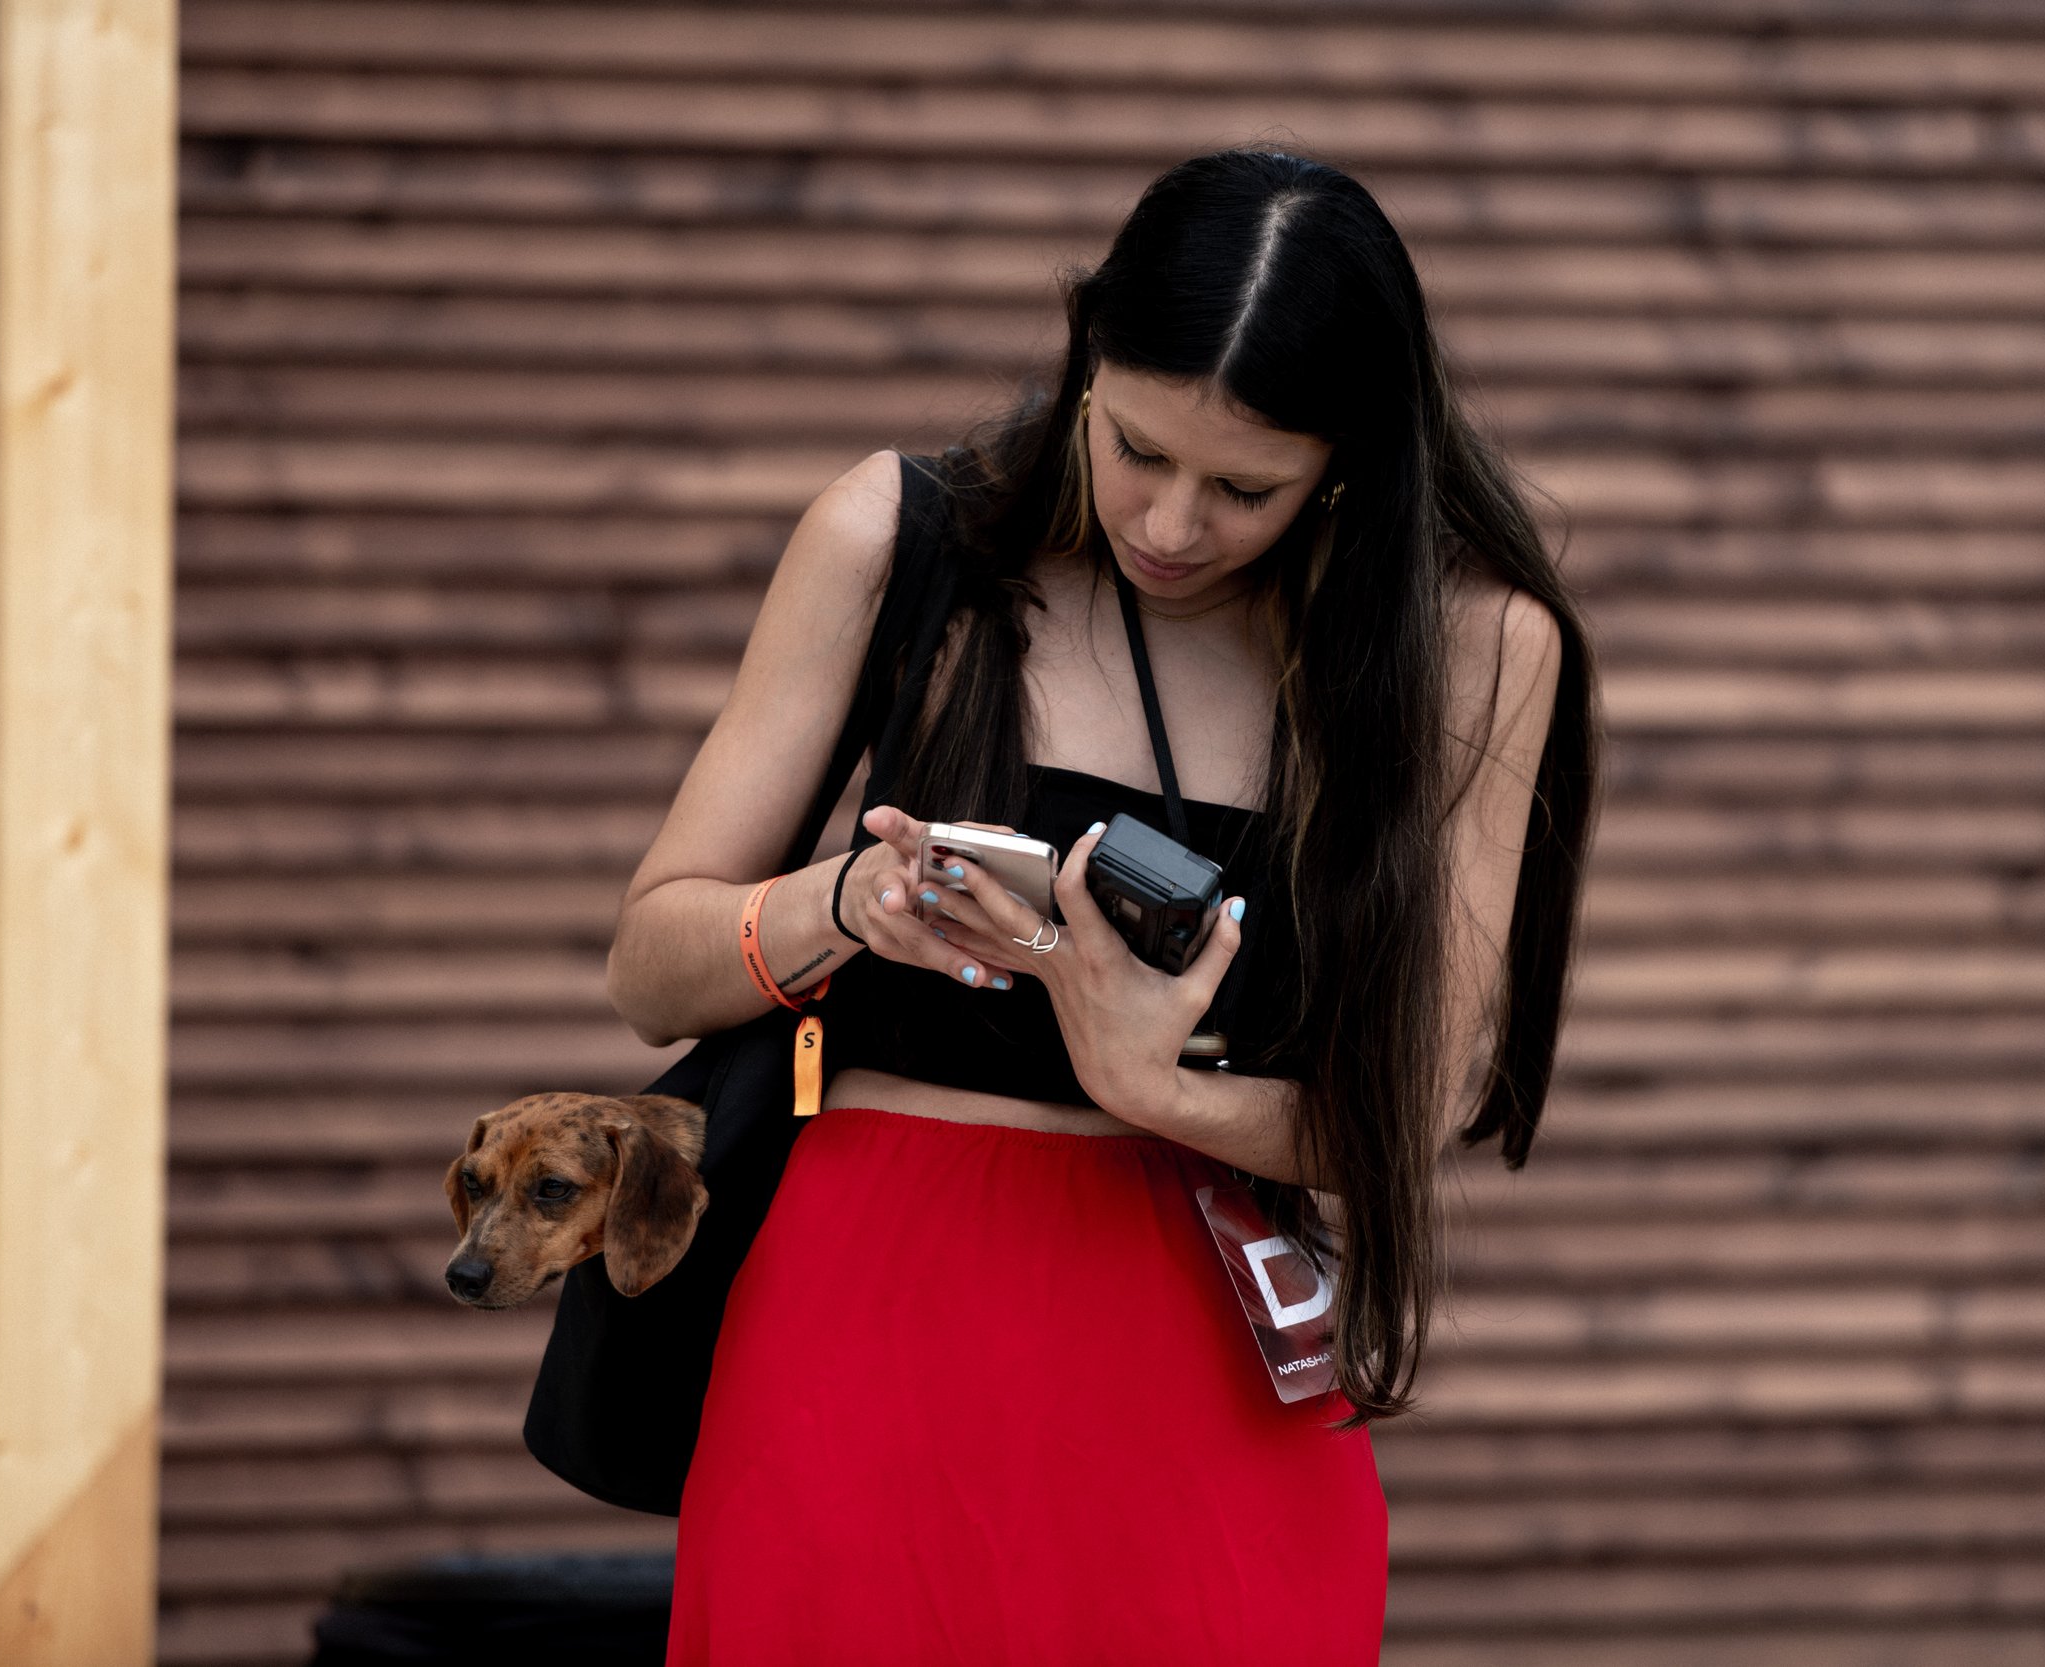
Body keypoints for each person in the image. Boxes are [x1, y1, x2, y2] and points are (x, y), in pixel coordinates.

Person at [605, 147, 1598, 1666]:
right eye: (1135, 448)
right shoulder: (901, 537)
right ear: (1082, 357)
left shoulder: (1468, 648)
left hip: (1205, 1344)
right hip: (867, 1322)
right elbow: (652, 964)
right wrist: (849, 903)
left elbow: (1418, 1103)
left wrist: (1149, 1082)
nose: (1174, 525)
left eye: (1247, 486)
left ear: (1352, 461)